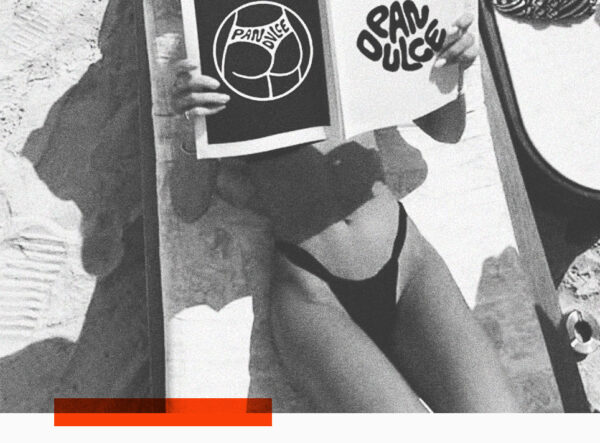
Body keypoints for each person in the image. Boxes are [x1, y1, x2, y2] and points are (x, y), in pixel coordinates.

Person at [171, 11, 522, 412]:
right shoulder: (222, 38)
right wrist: (192, 132)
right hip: (313, 293)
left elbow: (447, 130)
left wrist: (451, 68)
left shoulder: (361, 15)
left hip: (409, 266)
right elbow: (188, 205)